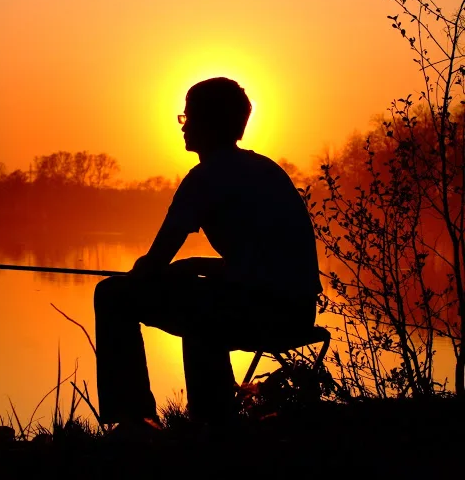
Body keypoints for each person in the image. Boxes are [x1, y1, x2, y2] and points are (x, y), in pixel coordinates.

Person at [94, 77, 322, 429]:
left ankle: (140, 419)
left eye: (189, 117)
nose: (183, 127)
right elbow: (264, 262)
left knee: (113, 294)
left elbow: (156, 261)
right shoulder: (265, 168)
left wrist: (148, 271)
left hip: (260, 312)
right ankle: (214, 416)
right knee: (201, 298)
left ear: (211, 122)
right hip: (298, 312)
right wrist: (195, 264)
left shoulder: (205, 178)